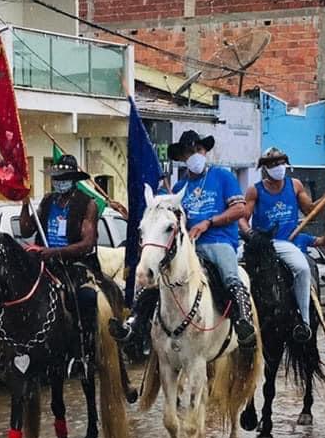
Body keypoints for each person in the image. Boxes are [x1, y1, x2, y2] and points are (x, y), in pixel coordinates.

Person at [126, 130, 255, 348]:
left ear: (205, 152)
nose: (195, 154)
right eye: (189, 151)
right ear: (183, 158)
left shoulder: (223, 176)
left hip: (219, 241)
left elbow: (240, 209)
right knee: (153, 277)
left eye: (199, 149)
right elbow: (172, 223)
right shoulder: (178, 188)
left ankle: (244, 321)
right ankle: (136, 323)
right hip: (187, 247)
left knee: (230, 276)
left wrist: (208, 223)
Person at [18, 154, 128, 368]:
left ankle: (83, 349)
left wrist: (54, 252)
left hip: (75, 265)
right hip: (45, 264)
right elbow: (25, 229)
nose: (59, 181)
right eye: (56, 177)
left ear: (73, 178)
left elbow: (86, 244)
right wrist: (24, 204)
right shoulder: (48, 201)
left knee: (85, 297)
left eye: (64, 177)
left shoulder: (88, 204)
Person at [239, 147, 325, 343]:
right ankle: (239, 320)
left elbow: (310, 210)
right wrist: (250, 235)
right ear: (265, 168)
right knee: (233, 269)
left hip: (286, 243)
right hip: (263, 243)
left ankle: (305, 322)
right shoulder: (254, 190)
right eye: (273, 164)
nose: (278, 167)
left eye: (281, 163)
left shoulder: (296, 185)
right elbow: (242, 219)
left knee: (302, 269)